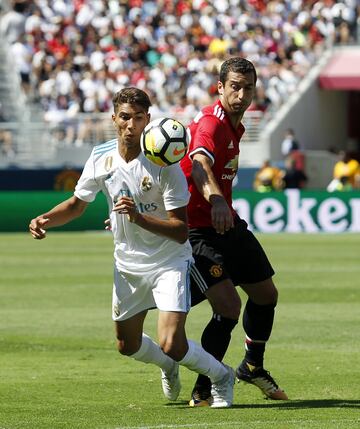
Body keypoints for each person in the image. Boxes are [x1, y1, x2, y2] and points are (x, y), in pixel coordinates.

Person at [29, 87, 235, 408]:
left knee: (172, 343)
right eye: (125, 117)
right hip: (127, 265)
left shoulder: (166, 163)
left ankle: (222, 376)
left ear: (148, 120)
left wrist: (137, 218)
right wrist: (46, 219)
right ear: (114, 119)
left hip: (168, 262)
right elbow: (76, 204)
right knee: (126, 345)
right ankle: (167, 367)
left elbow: (181, 231)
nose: (131, 125)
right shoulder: (101, 157)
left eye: (138, 118)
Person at [180, 57, 288, 406]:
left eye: (248, 88)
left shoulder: (235, 125)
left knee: (266, 295)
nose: (242, 94)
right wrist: (216, 200)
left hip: (226, 224)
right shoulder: (211, 123)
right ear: (220, 86)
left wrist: (222, 207)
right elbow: (199, 164)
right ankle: (203, 386)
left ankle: (252, 366)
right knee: (228, 307)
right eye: (235, 87)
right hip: (197, 229)